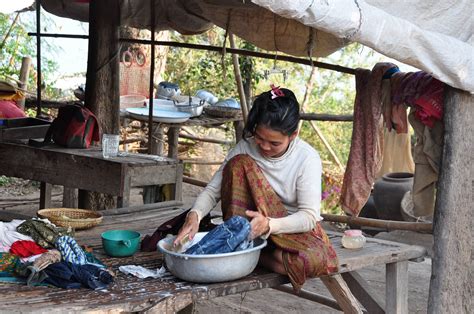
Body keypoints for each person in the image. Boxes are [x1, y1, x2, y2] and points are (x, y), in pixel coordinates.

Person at [174, 85, 338, 290]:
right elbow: (212, 191)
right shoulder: (245, 148)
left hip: (289, 230)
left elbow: (308, 217)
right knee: (239, 163)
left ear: (294, 134)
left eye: (274, 143)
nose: (265, 147)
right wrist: (195, 215)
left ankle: (246, 253)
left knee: (311, 261)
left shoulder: (307, 158)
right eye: (260, 138)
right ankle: (244, 247)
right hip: (247, 228)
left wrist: (269, 225)